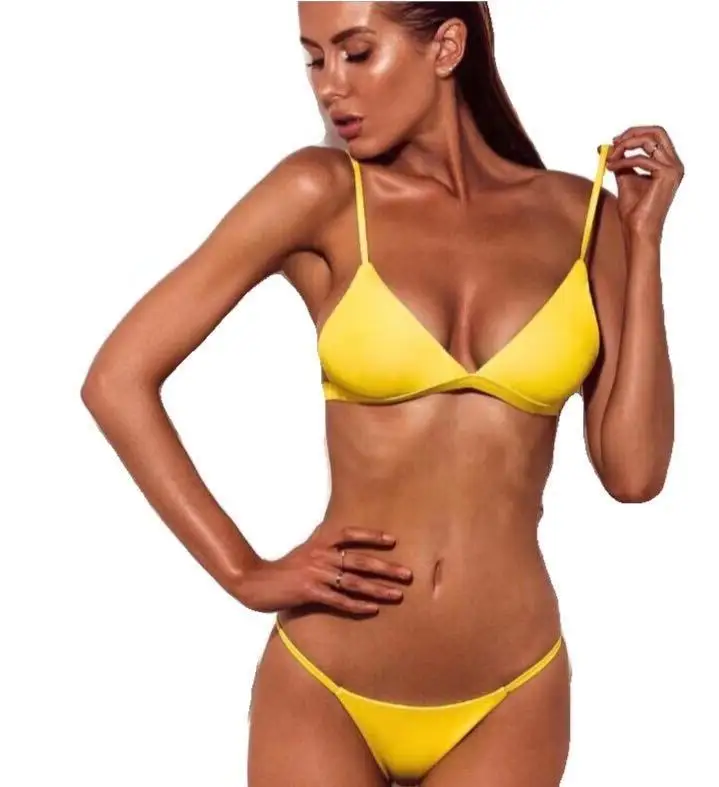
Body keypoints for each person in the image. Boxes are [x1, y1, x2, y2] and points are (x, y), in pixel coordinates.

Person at [80, 2, 683, 785]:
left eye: (357, 53)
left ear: (446, 47)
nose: (330, 86)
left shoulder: (580, 218)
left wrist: (641, 241)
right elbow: (117, 379)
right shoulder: (320, 193)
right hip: (326, 686)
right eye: (314, 59)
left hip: (510, 692)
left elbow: (633, 473)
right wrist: (243, 571)